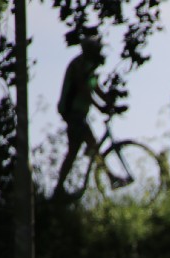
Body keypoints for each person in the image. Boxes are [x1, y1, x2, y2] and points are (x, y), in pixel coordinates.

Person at [52, 35, 125, 199]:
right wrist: (100, 107)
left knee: (77, 150)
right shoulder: (78, 65)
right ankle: (110, 178)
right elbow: (83, 89)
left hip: (79, 113)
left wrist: (110, 104)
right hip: (72, 112)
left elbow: (95, 87)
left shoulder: (88, 66)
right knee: (90, 145)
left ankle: (59, 189)